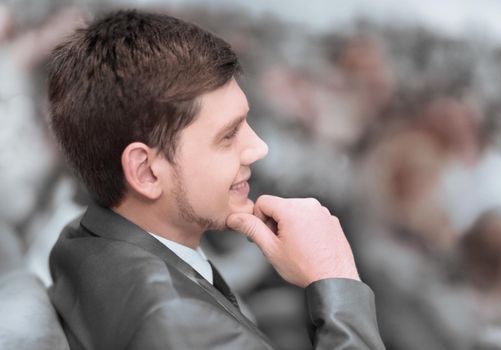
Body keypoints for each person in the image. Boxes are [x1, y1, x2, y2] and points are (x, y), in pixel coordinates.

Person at [47, 10, 384, 350]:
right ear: (146, 171)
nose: (258, 148)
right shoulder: (186, 326)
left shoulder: (84, 237)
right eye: (227, 136)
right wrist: (335, 276)